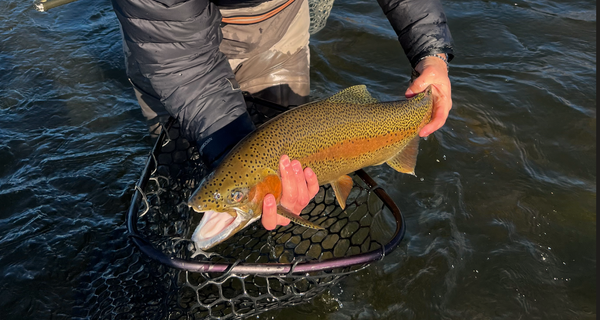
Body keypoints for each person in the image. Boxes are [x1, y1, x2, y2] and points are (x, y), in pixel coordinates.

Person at [111, 0, 454, 230]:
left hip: (277, 20)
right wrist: (228, 154)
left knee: (278, 168)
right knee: (184, 169)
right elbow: (180, 62)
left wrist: (432, 55)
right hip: (168, 43)